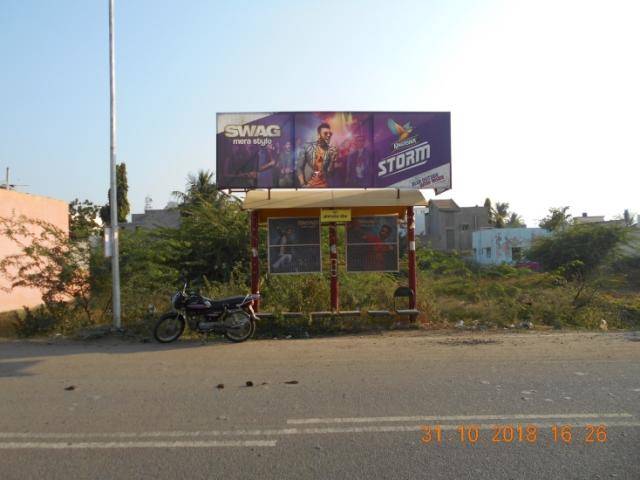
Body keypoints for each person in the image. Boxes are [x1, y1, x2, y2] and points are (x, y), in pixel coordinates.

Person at [296, 123, 338, 188]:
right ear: (319, 135)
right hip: (309, 184)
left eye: (330, 134)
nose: (329, 135)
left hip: (324, 185)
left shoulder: (330, 150)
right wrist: (303, 184)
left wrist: (333, 160)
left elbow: (329, 171)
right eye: (325, 133)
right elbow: (299, 167)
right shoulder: (307, 147)